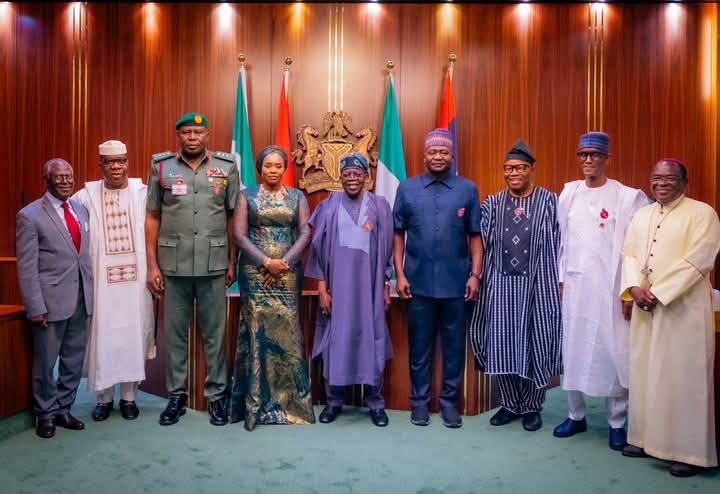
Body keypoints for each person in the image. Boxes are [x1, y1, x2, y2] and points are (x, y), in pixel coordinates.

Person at [620, 158, 720, 477]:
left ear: (684, 182)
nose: (661, 183)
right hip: (645, 306)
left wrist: (659, 293)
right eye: (656, 177)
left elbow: (699, 259)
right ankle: (643, 439)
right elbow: (629, 255)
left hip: (682, 308)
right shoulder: (642, 215)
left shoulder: (703, 213)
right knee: (646, 372)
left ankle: (689, 452)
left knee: (683, 377)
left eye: (669, 178)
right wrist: (634, 288)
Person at [553, 132, 647, 450]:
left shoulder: (627, 197)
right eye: (583, 154)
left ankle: (616, 422)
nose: (588, 160)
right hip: (576, 287)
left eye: (595, 154)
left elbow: (636, 250)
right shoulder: (569, 193)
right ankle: (575, 415)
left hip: (612, 289)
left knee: (614, 352)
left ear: (607, 158)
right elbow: (563, 243)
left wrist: (629, 290)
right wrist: (562, 281)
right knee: (573, 349)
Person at [145, 112, 239, 426]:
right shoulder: (162, 167)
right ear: (179, 136)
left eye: (198, 132)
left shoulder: (226, 167)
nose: (192, 137)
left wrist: (232, 261)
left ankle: (217, 397)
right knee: (174, 337)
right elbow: (152, 216)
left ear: (207, 135)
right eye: (186, 132)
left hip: (214, 265)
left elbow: (232, 217)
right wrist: (152, 265)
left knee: (215, 336)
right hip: (173, 266)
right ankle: (176, 396)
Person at [469, 139, 562, 432]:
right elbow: (477, 240)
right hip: (500, 286)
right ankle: (509, 404)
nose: (514, 173)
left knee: (536, 342)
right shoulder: (492, 204)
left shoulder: (550, 202)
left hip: (539, 285)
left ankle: (532, 406)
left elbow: (563, 244)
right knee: (501, 342)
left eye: (520, 168)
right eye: (508, 168)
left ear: (532, 169)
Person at [393, 129, 482, 428]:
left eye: (443, 152)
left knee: (454, 350)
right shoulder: (407, 189)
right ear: (424, 156)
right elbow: (397, 234)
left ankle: (449, 405)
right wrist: (399, 274)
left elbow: (475, 236)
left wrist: (475, 275)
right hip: (417, 284)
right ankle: (419, 403)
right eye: (433, 152)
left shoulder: (467, 189)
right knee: (419, 349)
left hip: (457, 285)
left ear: (452, 155)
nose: (438, 156)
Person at [306, 152, 394, 427]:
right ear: (340, 177)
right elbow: (317, 251)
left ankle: (376, 403)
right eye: (347, 175)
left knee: (372, 339)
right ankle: (334, 402)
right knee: (336, 340)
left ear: (367, 177)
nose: (352, 179)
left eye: (357, 174)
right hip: (337, 289)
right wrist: (322, 289)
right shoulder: (328, 206)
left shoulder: (380, 206)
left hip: (370, 289)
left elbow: (388, 250)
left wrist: (385, 285)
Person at [230, 145, 314, 430]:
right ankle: (254, 407)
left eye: (278, 165)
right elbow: (239, 236)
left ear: (285, 168)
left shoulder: (297, 196)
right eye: (268, 166)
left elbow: (305, 232)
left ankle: (293, 407)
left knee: (288, 334)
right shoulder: (246, 196)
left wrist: (283, 264)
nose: (273, 170)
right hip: (254, 273)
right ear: (260, 168)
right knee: (257, 333)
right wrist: (267, 263)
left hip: (287, 275)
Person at [73, 140, 156, 422]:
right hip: (101, 284)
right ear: (101, 165)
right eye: (110, 162)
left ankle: (129, 398)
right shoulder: (85, 196)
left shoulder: (142, 193)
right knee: (103, 337)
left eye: (121, 161)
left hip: (136, 281)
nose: (116, 166)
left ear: (127, 162)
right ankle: (103, 399)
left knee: (134, 335)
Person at [16, 159, 93, 438]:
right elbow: (27, 267)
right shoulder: (30, 215)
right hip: (49, 303)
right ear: (46, 180)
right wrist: (35, 305)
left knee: (73, 360)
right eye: (59, 177)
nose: (65, 181)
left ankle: (63, 409)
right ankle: (45, 413)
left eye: (69, 176)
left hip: (81, 298)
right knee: (45, 363)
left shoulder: (81, 210)